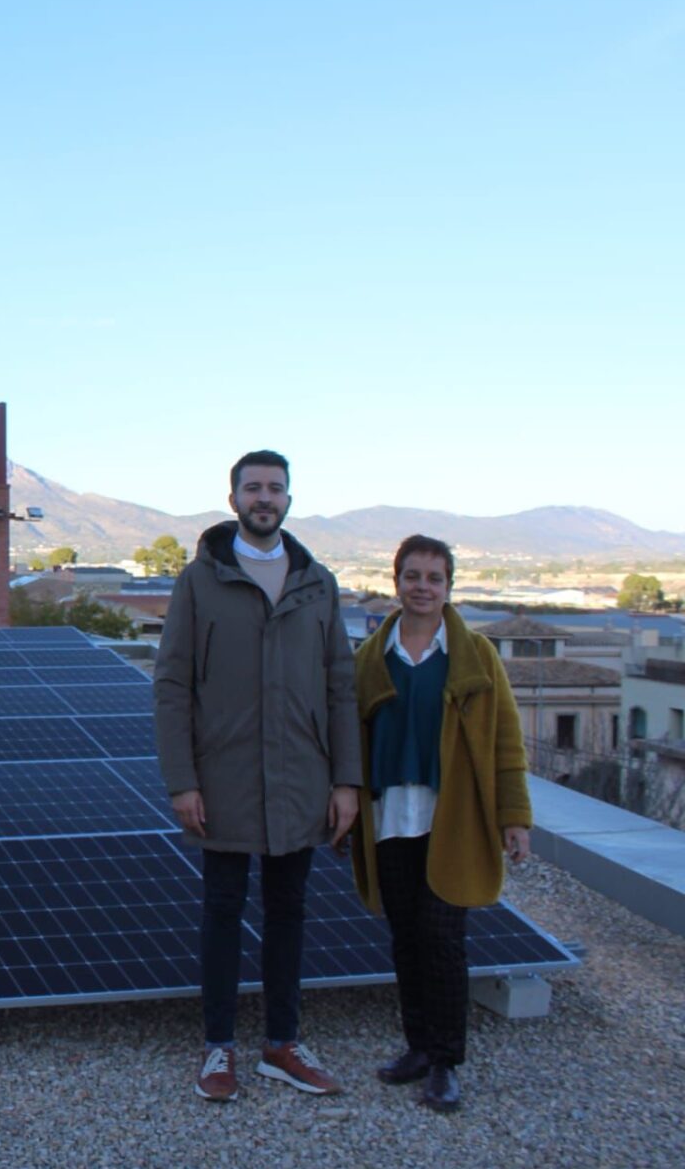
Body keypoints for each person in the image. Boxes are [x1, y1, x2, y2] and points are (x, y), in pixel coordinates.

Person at [154, 449, 361, 1102]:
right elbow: (172, 685)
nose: (264, 498)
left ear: (289, 500)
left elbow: (340, 686)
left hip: (302, 779)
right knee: (222, 910)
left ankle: (281, 1044)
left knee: (289, 912)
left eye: (274, 488)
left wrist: (347, 781)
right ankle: (218, 1048)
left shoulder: (317, 583)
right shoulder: (199, 581)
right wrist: (182, 780)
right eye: (253, 488)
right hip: (224, 780)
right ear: (234, 499)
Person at [338, 534, 532, 1114]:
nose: (423, 587)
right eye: (413, 576)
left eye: (434, 578)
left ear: (449, 586)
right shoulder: (370, 658)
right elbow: (346, 739)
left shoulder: (476, 656)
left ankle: (446, 1060)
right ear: (395, 582)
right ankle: (418, 1046)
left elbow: (506, 742)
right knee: (405, 937)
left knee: (443, 939)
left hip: (454, 819)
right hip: (390, 816)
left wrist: (514, 817)